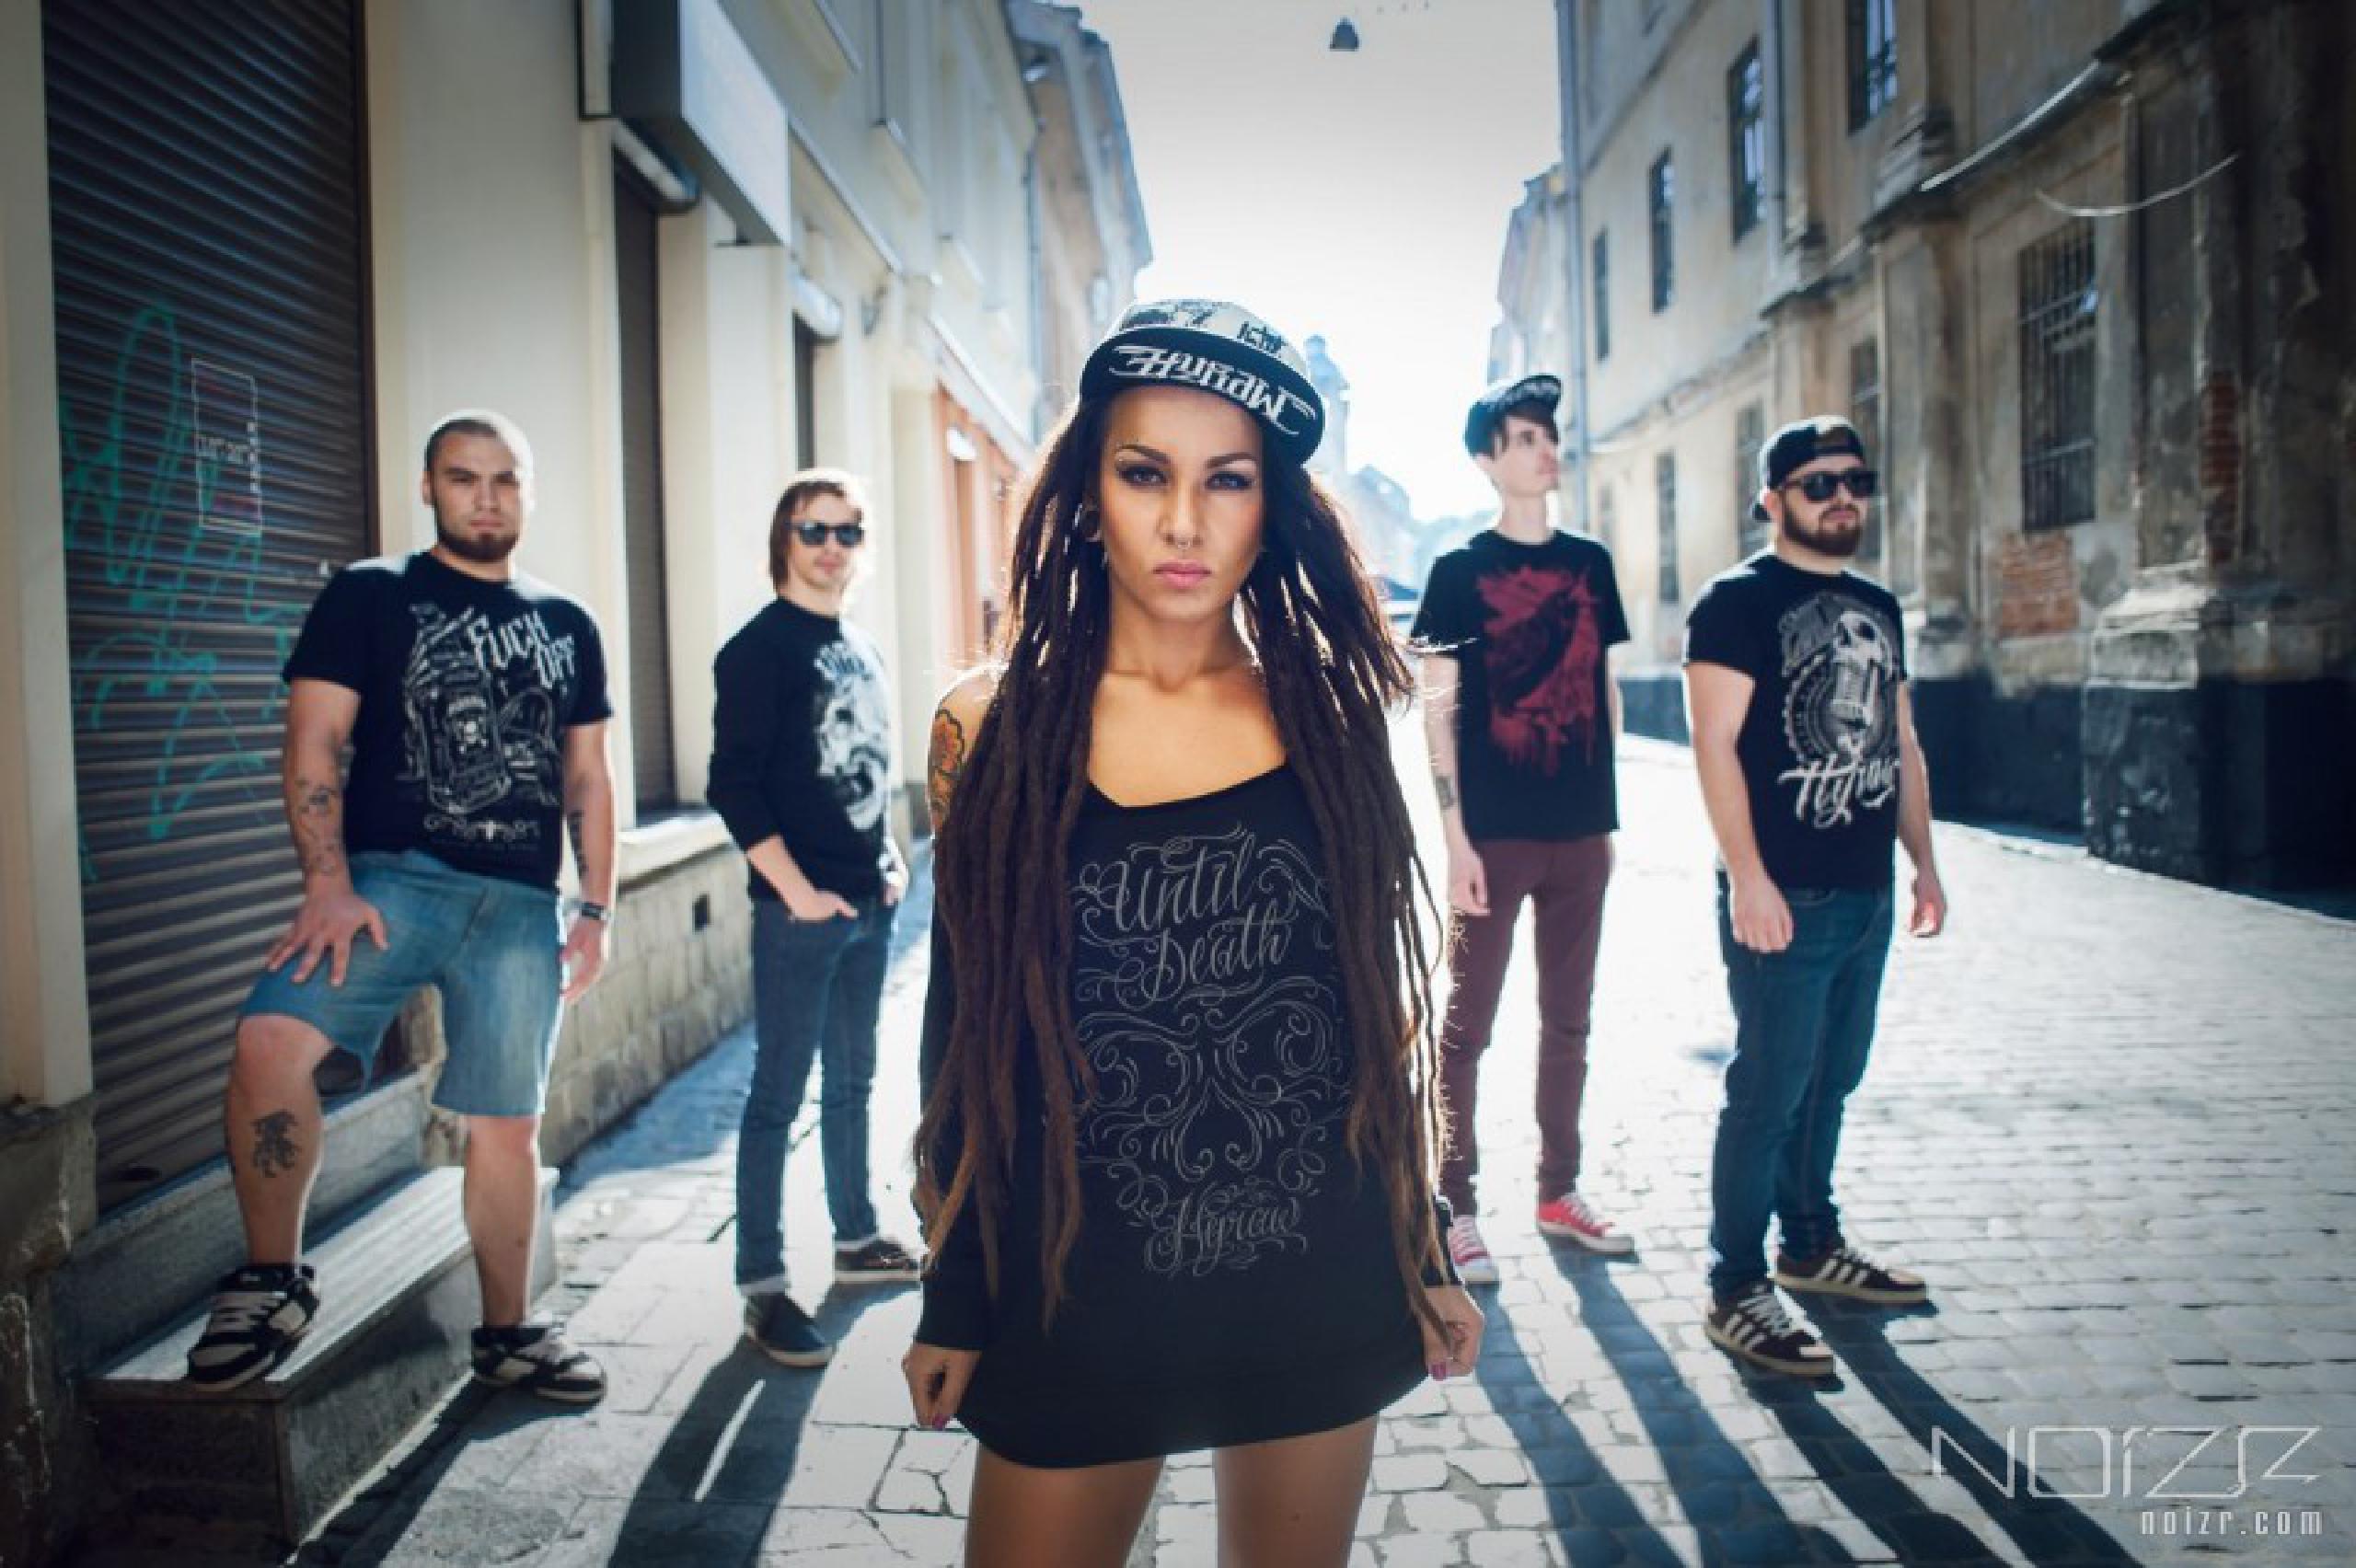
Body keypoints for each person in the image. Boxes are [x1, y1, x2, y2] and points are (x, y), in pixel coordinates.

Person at [902, 299, 1484, 1567]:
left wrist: (1424, 1240)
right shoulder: (985, 728)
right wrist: (955, 1288)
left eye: (1226, 479)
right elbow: (965, 1032)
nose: (1182, 521)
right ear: (1085, 493)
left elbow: (1372, 1013)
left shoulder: (1330, 713)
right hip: (1077, 1287)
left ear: (1271, 506)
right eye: (1143, 473)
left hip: (1312, 1275)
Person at [187, 410, 611, 1402]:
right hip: (392, 885)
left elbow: (589, 776)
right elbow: (312, 741)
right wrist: (326, 882)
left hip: (521, 905)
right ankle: (273, 1280)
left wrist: (596, 909)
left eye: (506, 479)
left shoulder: (568, 622)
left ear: (528, 491)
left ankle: (508, 1333)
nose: (486, 497)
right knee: (268, 1042)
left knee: (506, 1123)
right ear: (428, 487)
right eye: (464, 477)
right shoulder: (369, 594)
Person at [1682, 415, 1948, 1378]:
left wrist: (1923, 864)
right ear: (1773, 500)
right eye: (1818, 483)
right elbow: (1713, 744)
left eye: (1854, 481)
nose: (1842, 498)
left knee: (1831, 1080)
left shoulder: (1878, 604)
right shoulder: (1734, 603)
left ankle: (1809, 1244)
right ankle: (1734, 1284)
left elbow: (1899, 741)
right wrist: (1747, 878)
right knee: (1767, 1091)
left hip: (1864, 889)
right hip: (1782, 893)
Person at [1411, 373, 1636, 1286]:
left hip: (1580, 834)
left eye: (1550, 435)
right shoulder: (1457, 573)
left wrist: (1606, 810)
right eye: (1525, 438)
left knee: (1569, 1022)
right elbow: (1437, 711)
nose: (1547, 450)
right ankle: (1454, 1206)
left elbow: (1604, 689)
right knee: (1467, 1029)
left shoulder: (1590, 565)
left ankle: (1558, 1190)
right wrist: (1455, 839)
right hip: (1494, 837)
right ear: (1486, 459)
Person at [706, 468, 918, 1369]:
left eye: (847, 532)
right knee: (776, 1097)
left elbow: (868, 764)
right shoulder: (758, 651)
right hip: (800, 916)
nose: (832, 547)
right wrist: (795, 891)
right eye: (814, 530)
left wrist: (891, 856)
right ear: (783, 541)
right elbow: (732, 785)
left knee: (855, 1083)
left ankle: (856, 1237)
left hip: (867, 903)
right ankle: (762, 1285)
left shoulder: (858, 647)